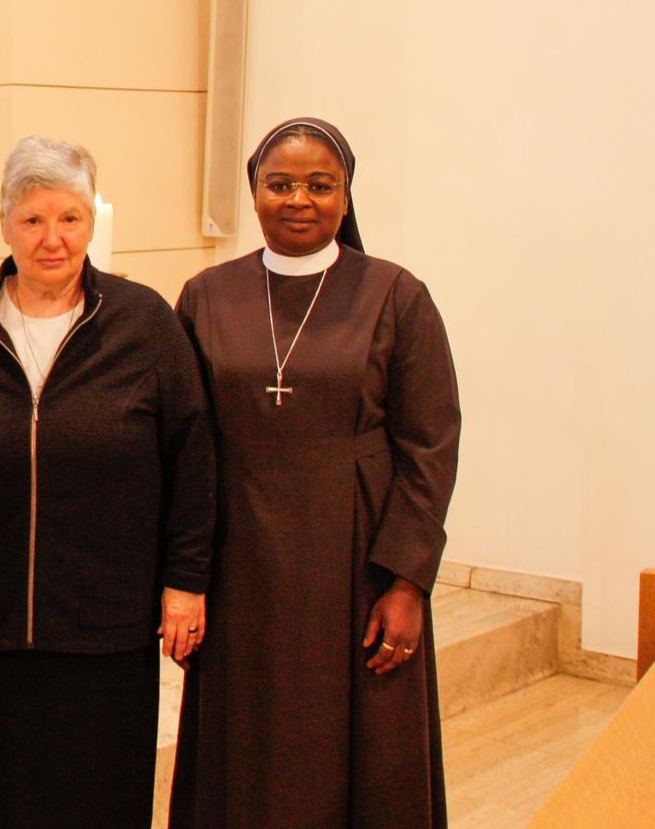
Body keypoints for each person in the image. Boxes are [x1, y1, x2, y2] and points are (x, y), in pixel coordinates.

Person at [169, 117, 461, 828]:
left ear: (346, 195)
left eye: (319, 185)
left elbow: (430, 444)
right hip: (241, 561)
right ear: (255, 193)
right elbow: (182, 442)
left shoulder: (395, 294)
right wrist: (184, 579)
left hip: (355, 561)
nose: (299, 199)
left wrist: (407, 581)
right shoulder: (207, 295)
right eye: (280, 184)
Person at [0, 137, 217, 827]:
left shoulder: (143, 323)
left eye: (70, 218)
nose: (52, 239)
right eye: (32, 219)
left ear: (93, 222)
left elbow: (192, 457)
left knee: (97, 800)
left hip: (107, 625)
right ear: (4, 224)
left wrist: (186, 580)